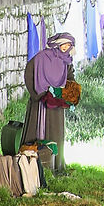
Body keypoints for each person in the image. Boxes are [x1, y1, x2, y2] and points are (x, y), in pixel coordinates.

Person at [24, 30, 79, 173]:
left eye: (68, 45)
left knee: (54, 132)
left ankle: (54, 165)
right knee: (35, 131)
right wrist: (38, 93)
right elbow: (30, 71)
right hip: (39, 102)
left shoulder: (66, 62)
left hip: (55, 105)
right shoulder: (42, 57)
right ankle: (29, 164)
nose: (65, 48)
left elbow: (70, 80)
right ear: (57, 44)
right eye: (63, 45)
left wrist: (66, 94)